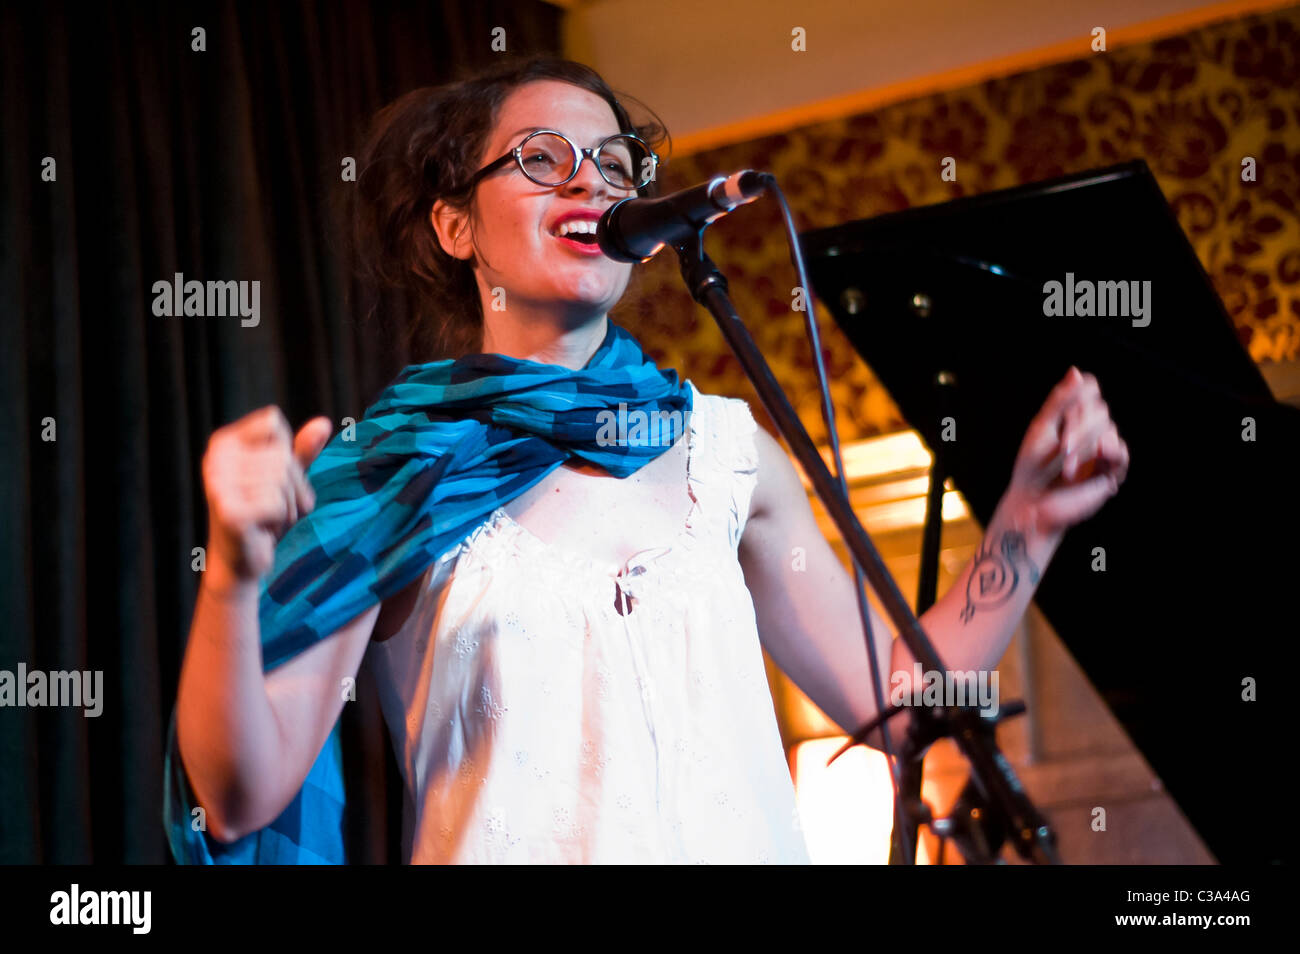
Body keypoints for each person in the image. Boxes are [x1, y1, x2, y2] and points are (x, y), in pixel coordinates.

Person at [166, 56, 1129, 864]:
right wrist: (234, 576)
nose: (590, 184)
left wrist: (1027, 524)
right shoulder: (392, 468)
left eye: (616, 165)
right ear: (455, 227)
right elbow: (239, 796)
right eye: (541, 159)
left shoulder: (727, 452)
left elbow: (904, 705)